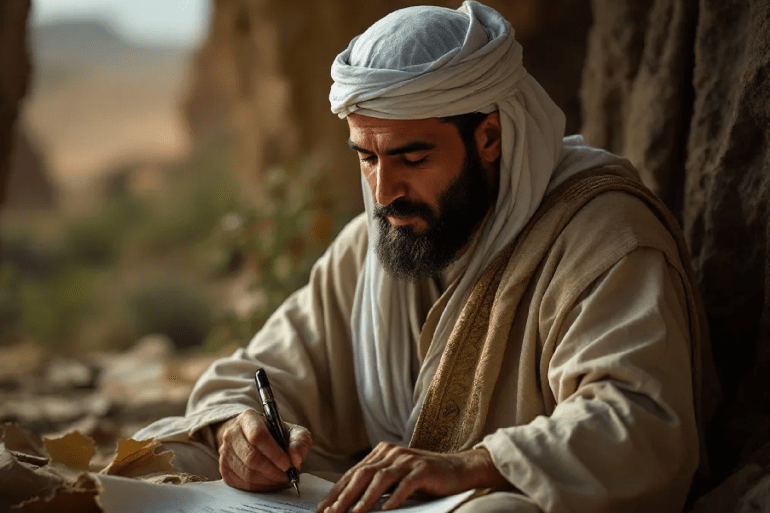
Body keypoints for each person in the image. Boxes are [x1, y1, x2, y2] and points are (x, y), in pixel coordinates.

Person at [135, 2, 716, 512]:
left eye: (412, 159)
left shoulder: (600, 234)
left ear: (490, 137)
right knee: (176, 452)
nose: (383, 192)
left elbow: (639, 422)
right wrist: (241, 430)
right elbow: (251, 374)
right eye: (366, 157)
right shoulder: (372, 246)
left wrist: (471, 467)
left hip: (496, 497)